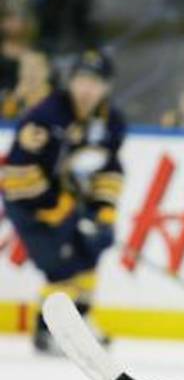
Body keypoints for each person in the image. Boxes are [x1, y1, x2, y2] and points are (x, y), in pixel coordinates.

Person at [1, 49, 125, 353]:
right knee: (62, 265)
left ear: (106, 87)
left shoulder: (111, 122)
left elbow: (108, 168)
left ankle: (79, 320)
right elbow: (16, 175)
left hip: (69, 201)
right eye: (81, 79)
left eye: (95, 82)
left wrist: (103, 208)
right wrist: (56, 206)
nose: (86, 89)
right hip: (28, 204)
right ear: (70, 81)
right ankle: (47, 330)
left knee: (94, 245)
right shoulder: (45, 116)